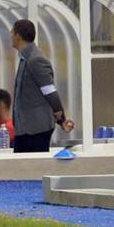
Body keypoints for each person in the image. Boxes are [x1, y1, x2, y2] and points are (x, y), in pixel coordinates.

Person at [10, 19, 74, 152]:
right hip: (25, 129)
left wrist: (62, 120)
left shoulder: (35, 59)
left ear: (18, 36)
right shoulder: (25, 58)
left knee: (32, 168)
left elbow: (50, 91)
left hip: (35, 129)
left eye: (12, 32)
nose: (10, 35)